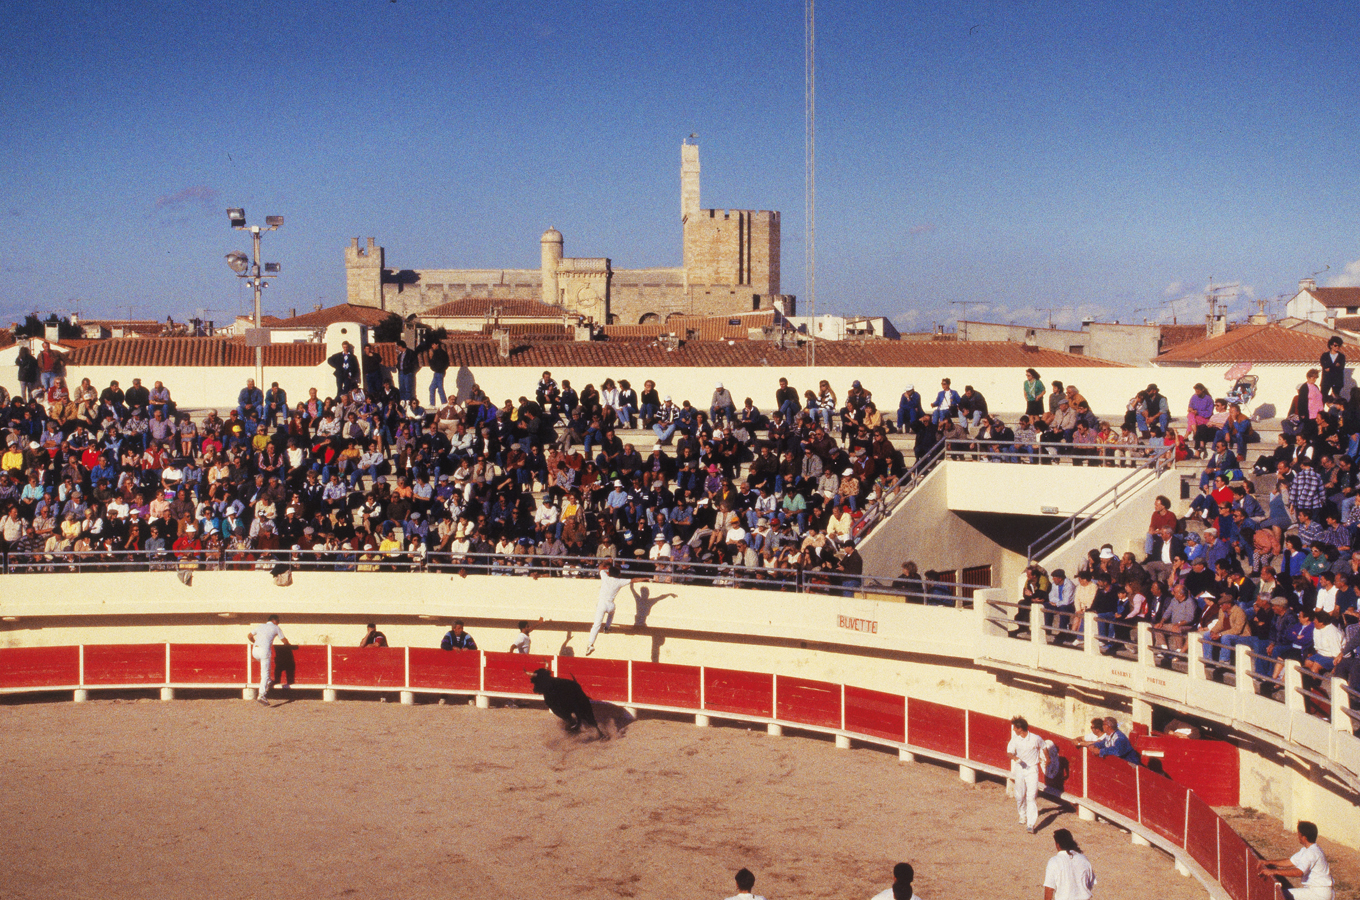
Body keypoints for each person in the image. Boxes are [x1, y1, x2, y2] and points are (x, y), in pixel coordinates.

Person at [1258, 821, 1333, 900]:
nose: (1298, 836)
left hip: (1319, 894)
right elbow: (1290, 861)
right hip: (1318, 891)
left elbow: (1298, 872)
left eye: (1299, 834)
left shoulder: (1311, 853)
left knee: (1281, 895)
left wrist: (1274, 871)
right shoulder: (1308, 849)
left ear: (1304, 837)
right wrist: (1268, 862)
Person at [587, 560, 648, 655]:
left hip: (602, 604)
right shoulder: (619, 581)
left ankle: (590, 644)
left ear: (609, 573)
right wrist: (645, 578)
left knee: (596, 625)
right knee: (612, 612)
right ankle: (607, 627)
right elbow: (633, 580)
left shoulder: (605, 577)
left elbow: (600, 567)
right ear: (618, 574)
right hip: (610, 605)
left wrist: (606, 561)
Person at [1007, 715, 1047, 833]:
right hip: (1020, 768)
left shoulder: (1035, 738)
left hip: (1032, 769)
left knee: (1031, 796)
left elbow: (1044, 746)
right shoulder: (1015, 739)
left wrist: (1048, 759)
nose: (1013, 729)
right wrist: (1016, 758)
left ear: (1021, 728)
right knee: (1019, 795)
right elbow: (1009, 752)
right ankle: (1022, 814)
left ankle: (1031, 823)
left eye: (1015, 728)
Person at [248, 614, 291, 704]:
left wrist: (255, 642)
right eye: (278, 621)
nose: (279, 623)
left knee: (266, 670)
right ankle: (261, 695)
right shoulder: (276, 628)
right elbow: (284, 640)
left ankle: (269, 681)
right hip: (264, 651)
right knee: (265, 674)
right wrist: (288, 646)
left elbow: (249, 636)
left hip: (255, 651)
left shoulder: (261, 626)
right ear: (273, 620)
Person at [1043, 829, 1096, 900]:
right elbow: (1089, 884)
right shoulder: (1083, 859)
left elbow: (1049, 889)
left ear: (1057, 844)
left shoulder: (1054, 861)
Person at [1320, 337, 1346, 402]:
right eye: (1335, 345)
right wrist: (1335, 366)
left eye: (1339, 346)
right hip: (1326, 381)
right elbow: (1325, 367)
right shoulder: (1325, 356)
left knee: (1336, 399)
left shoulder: (1341, 356)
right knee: (1323, 397)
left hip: (1337, 381)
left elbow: (1341, 368)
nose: (1337, 347)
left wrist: (1330, 367)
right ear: (1331, 345)